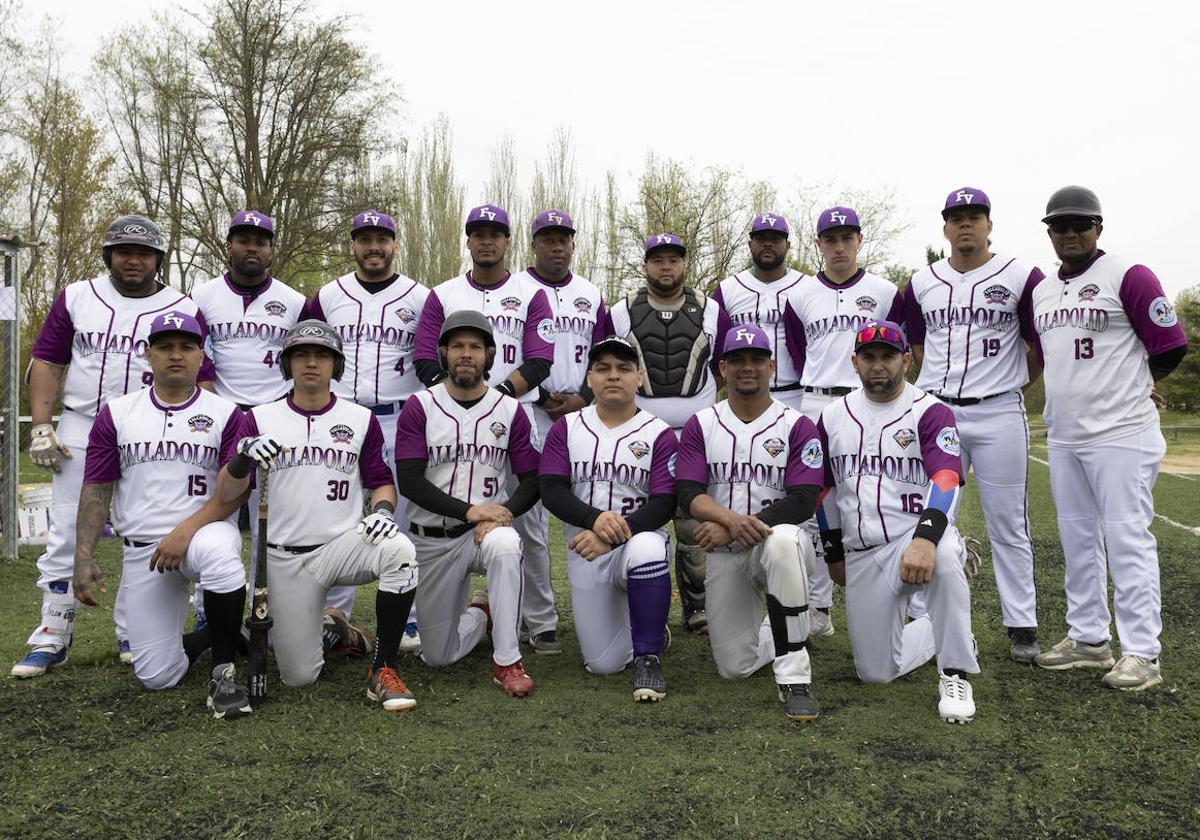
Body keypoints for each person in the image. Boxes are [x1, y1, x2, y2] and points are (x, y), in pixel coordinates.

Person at [12, 215, 216, 678]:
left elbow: (202, 375)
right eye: (123, 251)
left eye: (144, 253)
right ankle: (53, 630)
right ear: (108, 255)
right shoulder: (78, 296)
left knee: (145, 528)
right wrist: (42, 425)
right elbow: (48, 359)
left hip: (154, 424)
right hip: (85, 422)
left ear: (158, 259)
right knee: (67, 529)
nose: (133, 260)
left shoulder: (180, 304)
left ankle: (133, 629)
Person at [214, 320, 420, 712]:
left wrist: (382, 512)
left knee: (400, 552)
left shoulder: (361, 419)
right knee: (299, 677)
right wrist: (242, 459)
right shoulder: (257, 418)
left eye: (322, 355)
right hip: (285, 556)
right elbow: (227, 492)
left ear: (336, 365)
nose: (311, 363)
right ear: (287, 364)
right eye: (301, 355)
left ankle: (384, 670)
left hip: (343, 544)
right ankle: (337, 630)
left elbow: (381, 481)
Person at [1029, 186, 1188, 690]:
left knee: (1126, 539)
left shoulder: (1128, 275)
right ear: (1049, 232)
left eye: (1080, 224)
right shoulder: (1042, 291)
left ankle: (1142, 652)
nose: (1070, 233)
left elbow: (1170, 344)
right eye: (1059, 226)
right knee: (1078, 539)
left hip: (1122, 432)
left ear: (1099, 227)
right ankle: (1089, 639)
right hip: (1067, 434)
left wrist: (1143, 385)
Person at [72, 312, 251, 718]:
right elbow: (97, 487)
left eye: (186, 347)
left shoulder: (227, 413)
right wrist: (82, 556)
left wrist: (185, 531)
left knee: (223, 558)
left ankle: (224, 675)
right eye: (166, 347)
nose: (176, 355)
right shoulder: (116, 413)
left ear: (200, 355)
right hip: (144, 551)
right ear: (147, 354)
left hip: (203, 534)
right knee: (157, 675)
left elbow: (236, 494)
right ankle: (216, 632)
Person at [902, 188, 1044, 663]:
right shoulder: (922, 282)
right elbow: (915, 345)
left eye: (974, 217)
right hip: (940, 409)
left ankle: (1021, 624)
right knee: (930, 514)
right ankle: (922, 614)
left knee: (1009, 521)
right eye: (956, 218)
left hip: (999, 409)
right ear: (945, 227)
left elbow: (1040, 342)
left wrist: (1017, 382)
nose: (966, 225)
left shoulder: (1022, 275)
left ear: (989, 224)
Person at [411, 205, 560, 656]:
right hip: (450, 413)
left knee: (527, 523)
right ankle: (449, 609)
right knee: (440, 509)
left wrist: (493, 395)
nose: (487, 241)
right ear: (469, 241)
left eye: (495, 233)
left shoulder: (531, 293)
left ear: (508, 241)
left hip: (516, 414)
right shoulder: (443, 294)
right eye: (478, 233)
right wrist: (459, 400)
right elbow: (424, 359)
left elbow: (539, 360)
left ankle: (541, 621)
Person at [817, 319, 978, 723]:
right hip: (863, 551)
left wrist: (926, 539)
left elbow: (946, 477)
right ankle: (944, 631)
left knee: (941, 555)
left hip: (913, 534)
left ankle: (955, 670)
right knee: (875, 673)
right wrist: (833, 550)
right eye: (868, 356)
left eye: (888, 356)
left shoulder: (930, 411)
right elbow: (822, 491)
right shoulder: (832, 417)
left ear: (905, 359)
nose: (878, 365)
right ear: (854, 362)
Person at [674, 325, 822, 721]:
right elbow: (688, 492)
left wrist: (734, 526)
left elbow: (804, 500)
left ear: (771, 365)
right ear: (722, 368)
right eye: (737, 360)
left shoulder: (797, 424)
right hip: (725, 550)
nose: (747, 367)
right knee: (734, 667)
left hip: (780, 542)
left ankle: (794, 675)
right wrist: (729, 522)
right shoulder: (701, 423)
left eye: (757, 359)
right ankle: (792, 621)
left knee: (783, 542)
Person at [394, 312, 541, 697]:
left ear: (489, 356)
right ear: (443, 353)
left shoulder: (511, 410)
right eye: (457, 345)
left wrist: (502, 513)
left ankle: (507, 660)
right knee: (438, 656)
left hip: (483, 535)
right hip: (431, 539)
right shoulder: (419, 405)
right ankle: (481, 614)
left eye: (475, 346)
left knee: (507, 544)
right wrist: (470, 510)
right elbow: (409, 480)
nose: (466, 354)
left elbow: (532, 480)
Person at [302, 209, 430, 648]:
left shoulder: (421, 297)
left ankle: (409, 617)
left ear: (395, 244)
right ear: (352, 245)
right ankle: (333, 616)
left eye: (382, 238)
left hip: (400, 415)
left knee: (401, 516)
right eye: (364, 238)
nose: (374, 246)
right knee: (337, 514)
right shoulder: (327, 295)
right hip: (341, 416)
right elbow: (305, 350)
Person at [778, 206, 905, 638]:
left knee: (876, 497)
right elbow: (799, 353)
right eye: (830, 239)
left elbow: (900, 351)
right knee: (815, 506)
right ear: (818, 244)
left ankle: (895, 597)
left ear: (859, 241)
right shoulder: (798, 295)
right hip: (815, 403)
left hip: (869, 403)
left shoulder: (885, 291)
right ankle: (819, 607)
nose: (838, 246)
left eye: (846, 238)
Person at [539, 336, 677, 701]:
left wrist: (614, 532)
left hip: (636, 539)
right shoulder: (567, 427)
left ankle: (649, 656)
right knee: (603, 664)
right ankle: (644, 619)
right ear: (589, 378)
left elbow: (665, 501)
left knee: (648, 548)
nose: (613, 375)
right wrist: (594, 520)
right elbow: (551, 488)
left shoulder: (659, 432)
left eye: (623, 368)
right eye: (603, 368)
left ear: (639, 378)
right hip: (587, 549)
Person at [189, 210, 306, 628]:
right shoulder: (201, 296)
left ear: (272, 249)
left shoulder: (294, 302)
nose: (251, 247)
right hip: (220, 414)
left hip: (275, 414)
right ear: (229, 245)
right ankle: (208, 611)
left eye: (260, 241)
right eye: (243, 239)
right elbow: (196, 355)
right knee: (214, 511)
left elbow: (306, 357)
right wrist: (209, 407)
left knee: (271, 521)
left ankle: (265, 611)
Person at [604, 232, 721, 637]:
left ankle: (698, 606)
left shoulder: (712, 310)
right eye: (658, 260)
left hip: (695, 432)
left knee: (693, 521)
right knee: (638, 517)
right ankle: (629, 599)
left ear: (684, 264)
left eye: (673, 259)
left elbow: (725, 366)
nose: (666, 266)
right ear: (646, 265)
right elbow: (606, 367)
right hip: (640, 433)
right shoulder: (621, 311)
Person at [713, 213, 808, 410]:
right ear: (750, 244)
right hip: (741, 397)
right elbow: (714, 344)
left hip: (797, 394)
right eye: (761, 239)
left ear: (788, 246)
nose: (768, 244)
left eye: (775, 239)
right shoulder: (728, 288)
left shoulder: (807, 286)